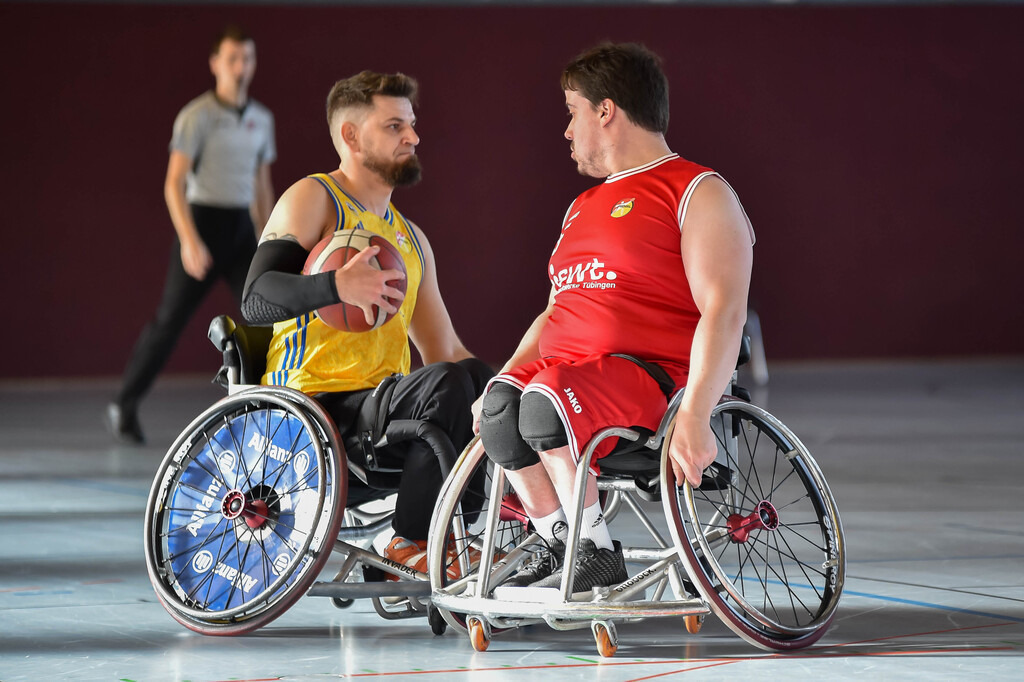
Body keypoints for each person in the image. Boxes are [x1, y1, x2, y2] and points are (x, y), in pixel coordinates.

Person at [477, 42, 755, 596]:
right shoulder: (581, 207)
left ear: (606, 111)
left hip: (653, 383)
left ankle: (596, 551)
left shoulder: (697, 190)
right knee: (500, 407)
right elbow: (558, 309)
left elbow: (724, 311)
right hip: (570, 378)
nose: (566, 129)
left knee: (544, 403)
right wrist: (504, 374)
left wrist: (697, 414)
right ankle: (562, 541)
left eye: (571, 111)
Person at [239, 71, 492, 576]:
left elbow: (444, 348)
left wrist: (511, 384)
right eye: (395, 125)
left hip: (382, 415)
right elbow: (254, 299)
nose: (413, 137)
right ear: (351, 136)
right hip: (312, 412)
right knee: (444, 387)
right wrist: (335, 287)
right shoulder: (315, 197)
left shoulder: (411, 239)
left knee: (478, 381)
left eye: (413, 125)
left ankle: (452, 542)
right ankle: (411, 542)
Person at [106, 25, 276, 443]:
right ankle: (124, 405)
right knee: (168, 322)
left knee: (269, 317)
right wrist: (189, 239)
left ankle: (272, 407)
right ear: (216, 64)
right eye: (233, 59)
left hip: (241, 232)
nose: (241, 68)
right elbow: (173, 183)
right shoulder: (197, 116)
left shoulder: (261, 119)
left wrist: (271, 239)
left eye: (247, 59)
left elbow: (261, 186)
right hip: (203, 223)